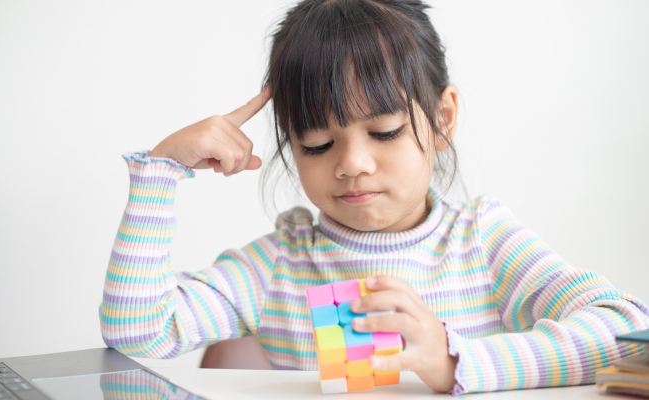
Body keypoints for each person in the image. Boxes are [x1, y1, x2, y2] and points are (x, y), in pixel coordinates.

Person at [99, 0, 649, 395]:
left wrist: (454, 359)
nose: (352, 164)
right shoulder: (280, 265)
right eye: (317, 143)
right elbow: (137, 332)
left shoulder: (481, 242)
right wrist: (160, 175)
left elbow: (625, 331)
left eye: (383, 132)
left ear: (442, 119)